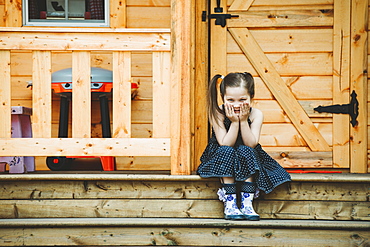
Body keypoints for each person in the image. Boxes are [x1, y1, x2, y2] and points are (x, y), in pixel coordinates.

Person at [197, 72, 291, 221]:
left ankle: (247, 203)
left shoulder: (256, 114)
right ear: (223, 98)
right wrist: (234, 122)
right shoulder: (217, 113)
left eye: (242, 99)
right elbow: (225, 143)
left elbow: (251, 143)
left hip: (247, 154)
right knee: (227, 151)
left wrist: (243, 120)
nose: (236, 105)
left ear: (251, 98)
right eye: (230, 100)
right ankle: (231, 202)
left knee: (246, 150)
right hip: (222, 155)